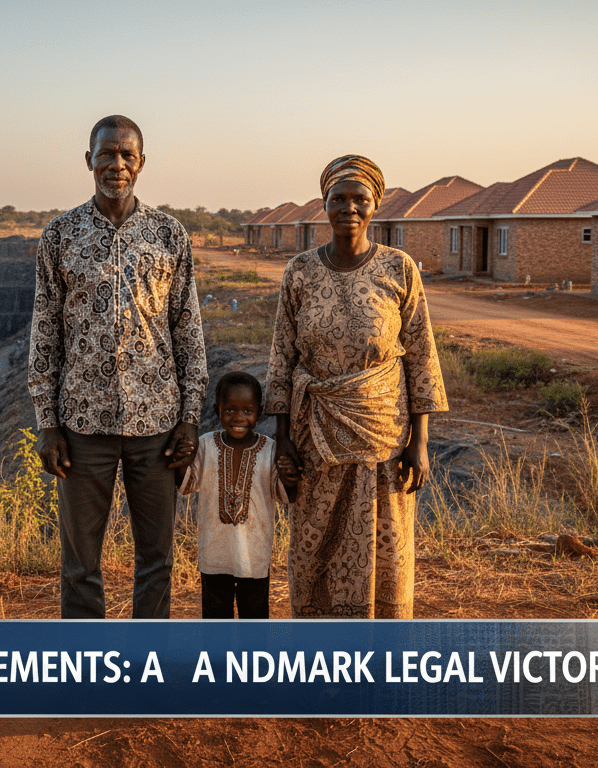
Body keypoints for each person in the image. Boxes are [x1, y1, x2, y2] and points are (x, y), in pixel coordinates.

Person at [28, 115, 208, 619]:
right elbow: (45, 335)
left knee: (157, 558)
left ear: (142, 163)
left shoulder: (170, 235)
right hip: (82, 426)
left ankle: (146, 668)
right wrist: (48, 424)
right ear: (89, 160)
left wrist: (190, 419)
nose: (117, 164)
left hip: (157, 425)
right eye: (107, 154)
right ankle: (87, 669)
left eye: (127, 155)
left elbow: (188, 331)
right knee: (80, 562)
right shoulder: (60, 235)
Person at [264, 155, 448, 619]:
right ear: (323, 204)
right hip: (315, 436)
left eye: (359, 199)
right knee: (314, 544)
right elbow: (282, 355)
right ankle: (321, 657)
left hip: (384, 436)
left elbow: (421, 353)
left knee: (384, 543)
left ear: (375, 205)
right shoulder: (300, 271)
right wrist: (283, 439)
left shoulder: (399, 268)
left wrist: (420, 441)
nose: (349, 207)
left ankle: (380, 655)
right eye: (338, 198)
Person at [177, 371, 298, 619]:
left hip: (254, 557)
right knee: (214, 619)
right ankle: (217, 659)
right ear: (217, 409)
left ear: (259, 411)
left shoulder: (270, 449)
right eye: (230, 410)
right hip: (214, 556)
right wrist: (182, 457)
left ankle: (252, 659)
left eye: (247, 410)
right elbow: (186, 484)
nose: (238, 418)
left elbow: (287, 495)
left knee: (254, 619)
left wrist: (289, 474)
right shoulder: (206, 445)